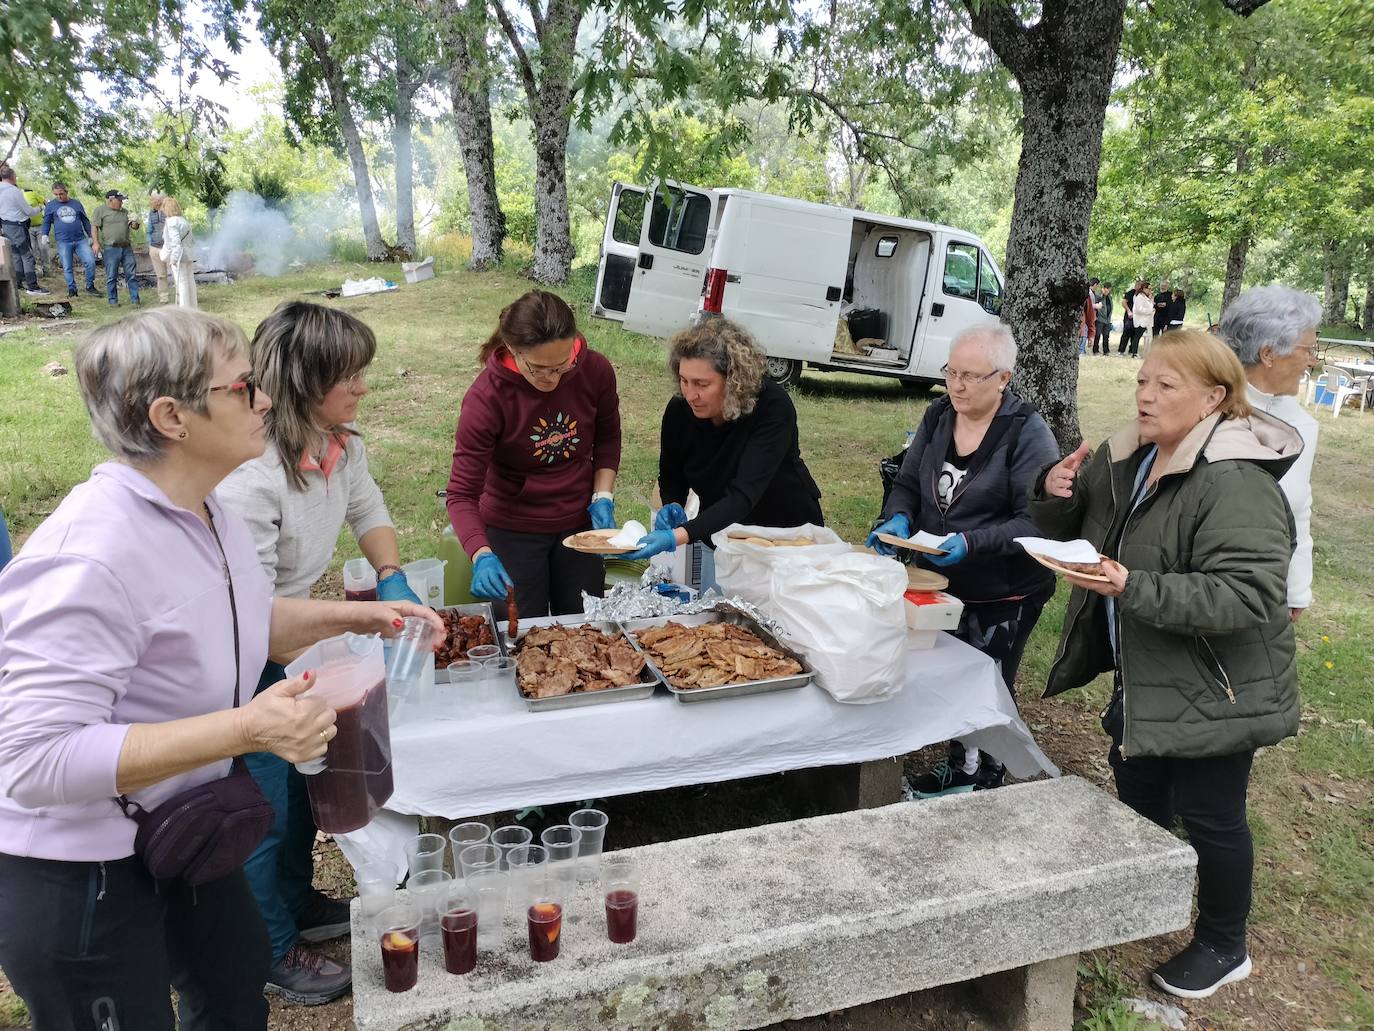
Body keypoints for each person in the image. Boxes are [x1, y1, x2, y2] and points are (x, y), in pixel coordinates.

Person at [0, 307, 442, 1030]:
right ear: (173, 415)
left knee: (234, 988)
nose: (265, 397)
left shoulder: (202, 508)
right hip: (83, 872)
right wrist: (248, 727)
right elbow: (35, 760)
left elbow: (238, 618)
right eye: (242, 388)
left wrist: (358, 614)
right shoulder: (88, 557)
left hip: (180, 826)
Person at [1029, 328, 1302, 1000]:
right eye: (1142, 380)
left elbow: (1251, 592)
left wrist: (1134, 588)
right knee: (1137, 774)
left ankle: (1223, 941)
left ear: (1215, 396)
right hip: (1147, 670)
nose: (1145, 395)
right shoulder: (1134, 456)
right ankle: (1154, 889)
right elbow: (1075, 528)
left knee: (1212, 810)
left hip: (1218, 684)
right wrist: (1057, 491)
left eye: (1165, 385)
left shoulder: (1236, 480)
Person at [217, 301, 421, 1005]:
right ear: (304, 384)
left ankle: (298, 902)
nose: (363, 387)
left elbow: (369, 509)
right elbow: (258, 623)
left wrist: (391, 573)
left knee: (308, 784)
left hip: (291, 634)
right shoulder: (253, 475)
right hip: (240, 653)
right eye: (350, 377)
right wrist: (363, 618)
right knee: (262, 803)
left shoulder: (341, 443)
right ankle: (268, 946)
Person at [867, 325, 1059, 796]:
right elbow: (908, 484)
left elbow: (1036, 524)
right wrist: (896, 518)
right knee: (950, 672)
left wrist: (972, 543)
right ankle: (962, 764)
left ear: (1004, 378)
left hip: (1006, 588)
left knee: (987, 681)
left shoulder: (1027, 433)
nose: (956, 385)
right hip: (941, 580)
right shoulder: (938, 416)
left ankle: (987, 778)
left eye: (971, 376)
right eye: (951, 372)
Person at [447, 290, 621, 615]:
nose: (552, 379)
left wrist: (602, 497)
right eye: (539, 368)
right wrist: (481, 554)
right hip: (513, 529)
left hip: (579, 523)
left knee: (584, 627)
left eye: (562, 366)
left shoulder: (595, 371)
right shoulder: (487, 399)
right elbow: (461, 494)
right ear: (512, 349)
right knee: (524, 633)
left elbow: (608, 438)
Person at [628, 317, 824, 562]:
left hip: (786, 537)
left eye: (702, 384)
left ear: (733, 381)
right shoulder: (680, 409)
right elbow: (671, 473)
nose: (690, 394)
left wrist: (677, 536)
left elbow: (743, 495)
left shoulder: (773, 407)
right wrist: (673, 504)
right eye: (684, 380)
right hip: (722, 534)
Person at [1218, 285, 1321, 622]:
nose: (1313, 359)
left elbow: (1298, 508)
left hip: (1265, 593)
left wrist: (1297, 585)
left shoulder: (1302, 426)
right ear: (1268, 353)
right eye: (1307, 348)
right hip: (1201, 587)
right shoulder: (1210, 410)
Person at [41, 182, 99, 298]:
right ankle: (72, 289)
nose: (59, 197)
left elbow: (85, 220)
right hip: (63, 241)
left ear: (66, 192)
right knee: (67, 266)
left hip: (80, 239)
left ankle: (90, 285)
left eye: (61, 194)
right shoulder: (51, 206)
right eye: (56, 194)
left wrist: (91, 236)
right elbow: (47, 221)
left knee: (90, 261)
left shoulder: (76, 204)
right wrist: (44, 234)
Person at [0, 167, 47, 295]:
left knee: (15, 254)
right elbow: (28, 211)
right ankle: (32, 286)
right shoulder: (14, 191)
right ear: (12, 177)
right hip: (18, 225)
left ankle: (18, 282)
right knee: (27, 255)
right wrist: (40, 208)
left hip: (6, 225)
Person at [91, 189, 142, 307]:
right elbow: (94, 227)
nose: (121, 203)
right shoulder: (100, 211)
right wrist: (95, 243)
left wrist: (135, 222)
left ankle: (135, 300)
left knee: (131, 274)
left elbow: (134, 227)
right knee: (111, 275)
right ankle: (113, 301)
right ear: (111, 200)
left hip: (126, 247)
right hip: (111, 248)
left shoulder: (125, 212)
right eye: (119, 200)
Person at [159, 196, 198, 308]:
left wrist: (174, 259)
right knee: (190, 281)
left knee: (181, 284)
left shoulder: (171, 222)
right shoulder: (184, 221)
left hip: (179, 257)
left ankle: (184, 310)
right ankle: (193, 307)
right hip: (188, 255)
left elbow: (175, 243)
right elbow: (192, 240)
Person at [146, 191, 170, 303]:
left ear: (158, 201)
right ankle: (163, 298)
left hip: (169, 248)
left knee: (176, 273)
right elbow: (149, 230)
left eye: (152, 200)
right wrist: (150, 245)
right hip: (155, 248)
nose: (150, 202)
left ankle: (181, 297)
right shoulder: (151, 213)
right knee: (161, 275)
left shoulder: (170, 211)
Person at [22, 181, 49, 276]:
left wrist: (45, 212)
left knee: (43, 247)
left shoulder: (34, 194)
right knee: (32, 249)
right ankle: (36, 270)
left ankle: (46, 269)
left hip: (40, 225)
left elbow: (46, 202)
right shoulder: (20, 196)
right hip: (28, 227)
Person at [1129, 282, 1154, 357]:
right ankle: (1134, 353)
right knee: (1137, 336)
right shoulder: (1139, 297)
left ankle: (1145, 352)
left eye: (1150, 289)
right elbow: (1138, 309)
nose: (1150, 290)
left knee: (1146, 337)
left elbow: (1150, 306)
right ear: (1144, 289)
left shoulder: (1146, 297)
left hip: (1146, 321)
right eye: (1148, 288)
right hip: (1140, 320)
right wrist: (1149, 311)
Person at [1093, 282, 1114, 354]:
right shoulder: (1099, 296)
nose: (1108, 290)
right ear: (1104, 288)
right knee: (1097, 335)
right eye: (1107, 289)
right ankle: (1095, 350)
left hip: (1107, 320)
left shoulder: (1110, 297)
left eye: (1109, 289)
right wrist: (1103, 294)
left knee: (1106, 335)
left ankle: (1106, 350)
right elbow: (1097, 301)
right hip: (1100, 319)